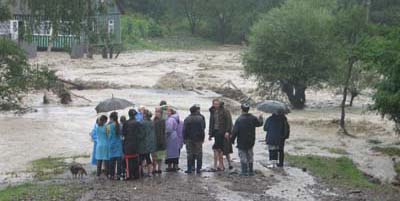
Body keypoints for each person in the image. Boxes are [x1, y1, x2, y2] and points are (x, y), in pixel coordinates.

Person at [231, 103, 263, 176]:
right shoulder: (253, 118)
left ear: (241, 109)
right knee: (250, 155)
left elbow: (235, 131)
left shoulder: (239, 119)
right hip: (251, 140)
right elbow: (260, 124)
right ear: (248, 109)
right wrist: (261, 117)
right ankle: (251, 171)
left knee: (243, 156)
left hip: (241, 141)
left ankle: (244, 172)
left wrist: (232, 140)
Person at [209, 99, 233, 171]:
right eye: (214, 104)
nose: (216, 105)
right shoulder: (212, 111)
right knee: (219, 149)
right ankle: (221, 165)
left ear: (219, 104)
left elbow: (229, 122)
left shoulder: (225, 111)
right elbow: (211, 123)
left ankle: (222, 165)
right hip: (216, 132)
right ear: (213, 104)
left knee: (224, 149)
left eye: (217, 104)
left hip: (223, 132)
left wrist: (228, 131)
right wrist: (210, 134)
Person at [183, 105, 206, 174]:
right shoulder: (200, 118)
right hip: (198, 139)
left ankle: (190, 169)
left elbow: (184, 130)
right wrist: (203, 138)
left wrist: (184, 138)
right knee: (199, 153)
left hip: (189, 139)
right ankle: (198, 169)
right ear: (196, 111)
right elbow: (202, 129)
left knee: (190, 153)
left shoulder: (187, 119)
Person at [122, 109, 141, 180]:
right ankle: (136, 175)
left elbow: (123, 134)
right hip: (136, 143)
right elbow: (140, 133)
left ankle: (129, 175)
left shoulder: (126, 123)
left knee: (128, 160)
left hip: (128, 143)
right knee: (135, 159)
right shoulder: (137, 123)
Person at [139, 109, 157, 177]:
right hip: (151, 142)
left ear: (144, 115)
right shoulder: (152, 122)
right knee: (148, 157)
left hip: (143, 143)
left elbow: (141, 134)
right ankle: (150, 172)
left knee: (141, 158)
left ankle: (140, 172)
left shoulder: (142, 123)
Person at [165, 106, 183, 171]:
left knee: (169, 152)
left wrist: (165, 134)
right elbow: (181, 131)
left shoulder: (170, 119)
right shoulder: (178, 120)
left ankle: (169, 166)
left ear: (171, 112)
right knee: (176, 152)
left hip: (171, 138)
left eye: (168, 111)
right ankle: (175, 166)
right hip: (176, 138)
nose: (167, 112)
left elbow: (168, 129)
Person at [107, 112, 123, 180]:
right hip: (119, 144)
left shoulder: (109, 126)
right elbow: (122, 134)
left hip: (111, 144)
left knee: (111, 161)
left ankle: (112, 175)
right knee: (119, 161)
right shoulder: (120, 125)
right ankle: (119, 175)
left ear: (112, 118)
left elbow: (107, 135)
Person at [152, 107, 166, 174]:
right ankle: (154, 168)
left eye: (158, 112)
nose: (156, 113)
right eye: (156, 111)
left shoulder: (162, 121)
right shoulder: (154, 120)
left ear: (161, 113)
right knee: (154, 156)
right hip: (155, 140)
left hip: (160, 140)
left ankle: (159, 168)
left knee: (159, 156)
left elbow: (163, 131)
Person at [119, 115, 127, 180]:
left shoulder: (119, 126)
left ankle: (122, 171)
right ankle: (125, 171)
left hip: (120, 143)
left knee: (121, 158)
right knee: (124, 158)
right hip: (125, 143)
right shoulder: (125, 126)